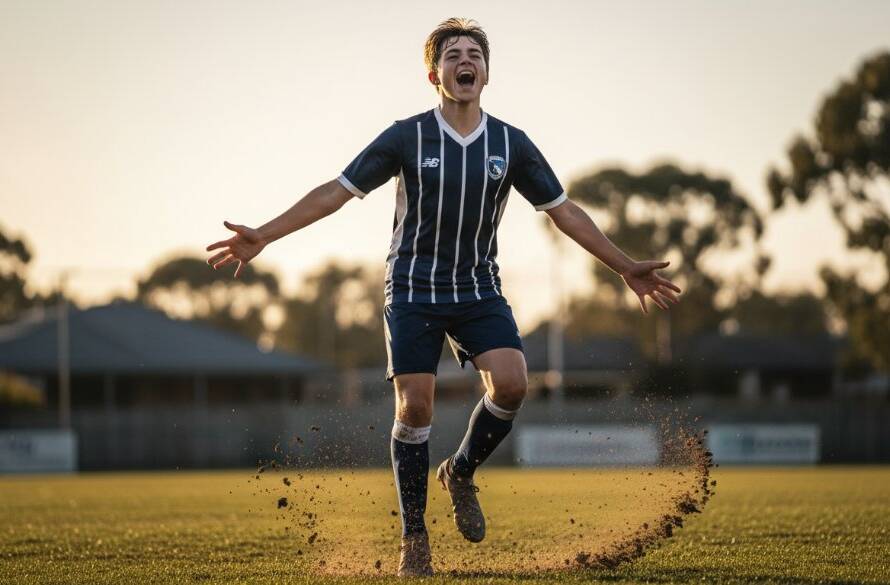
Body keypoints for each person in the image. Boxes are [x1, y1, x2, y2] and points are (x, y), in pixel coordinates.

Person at [205, 17, 681, 577]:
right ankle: (414, 536)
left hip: (478, 286)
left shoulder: (511, 143)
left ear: (485, 72)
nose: (466, 60)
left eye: (475, 53)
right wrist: (264, 233)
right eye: (454, 53)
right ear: (435, 74)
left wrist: (624, 266)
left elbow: (564, 211)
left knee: (512, 384)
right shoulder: (406, 136)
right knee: (417, 406)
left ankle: (459, 472)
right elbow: (337, 192)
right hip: (412, 286)